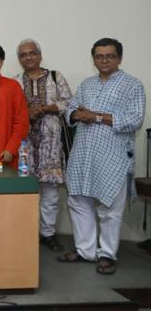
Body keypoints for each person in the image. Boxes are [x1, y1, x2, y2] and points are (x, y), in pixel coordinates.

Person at [57, 38, 145, 275]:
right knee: (78, 201)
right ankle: (85, 250)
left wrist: (95, 116)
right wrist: (77, 114)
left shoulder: (132, 85)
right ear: (93, 59)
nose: (104, 60)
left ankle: (107, 254)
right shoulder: (87, 84)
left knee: (110, 207)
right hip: (83, 153)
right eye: (99, 56)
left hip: (113, 155)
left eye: (110, 56)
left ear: (119, 58)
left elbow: (134, 120)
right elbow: (71, 110)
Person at [14, 39, 73, 252]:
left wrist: (45, 108)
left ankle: (48, 233)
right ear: (19, 59)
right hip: (24, 144)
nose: (28, 57)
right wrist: (26, 112)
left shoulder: (55, 77)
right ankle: (26, 232)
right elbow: (11, 109)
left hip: (50, 143)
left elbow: (69, 103)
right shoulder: (15, 81)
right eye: (23, 55)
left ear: (40, 55)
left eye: (32, 53)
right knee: (24, 188)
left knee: (50, 191)